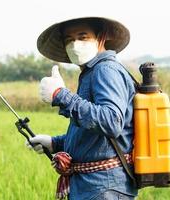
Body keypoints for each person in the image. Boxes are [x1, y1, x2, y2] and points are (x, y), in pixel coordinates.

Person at [26, 17, 138, 200]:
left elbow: (111, 122)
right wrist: (55, 143)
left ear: (100, 37)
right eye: (69, 40)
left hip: (104, 187)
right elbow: (94, 135)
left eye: (82, 36)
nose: (75, 44)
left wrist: (60, 95)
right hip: (93, 186)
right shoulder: (91, 72)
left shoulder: (105, 70)